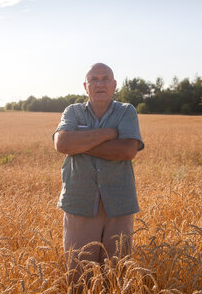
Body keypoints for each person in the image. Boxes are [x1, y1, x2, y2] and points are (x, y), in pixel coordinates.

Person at [53, 63, 144, 284]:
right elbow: (62, 143)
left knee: (116, 276)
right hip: (80, 200)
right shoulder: (73, 111)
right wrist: (108, 134)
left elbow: (127, 150)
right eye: (94, 79)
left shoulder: (126, 111)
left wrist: (81, 144)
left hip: (119, 204)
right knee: (78, 276)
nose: (100, 84)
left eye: (105, 79)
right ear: (86, 86)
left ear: (114, 85)